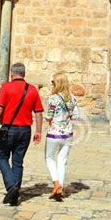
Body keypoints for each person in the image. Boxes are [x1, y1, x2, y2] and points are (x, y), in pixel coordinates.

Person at [0, 62, 43, 206]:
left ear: (12, 73)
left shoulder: (6, 87)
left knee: (1, 156)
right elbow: (38, 112)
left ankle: (11, 186)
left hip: (8, 129)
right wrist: (38, 131)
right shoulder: (32, 89)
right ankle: (14, 195)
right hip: (25, 130)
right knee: (18, 162)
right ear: (23, 73)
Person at [45, 72, 80, 201]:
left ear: (57, 84)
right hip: (68, 133)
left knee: (49, 158)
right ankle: (61, 185)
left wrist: (51, 119)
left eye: (53, 82)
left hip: (54, 132)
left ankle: (56, 183)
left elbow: (48, 116)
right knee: (62, 160)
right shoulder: (72, 98)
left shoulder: (53, 98)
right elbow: (75, 116)